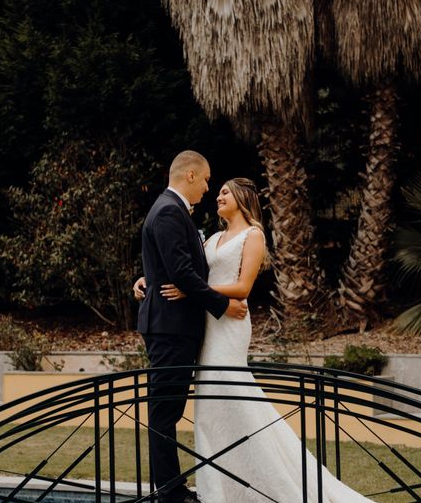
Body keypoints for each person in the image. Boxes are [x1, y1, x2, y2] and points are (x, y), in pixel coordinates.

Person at [136, 177, 377, 503]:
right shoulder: (213, 238)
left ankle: (271, 484)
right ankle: (219, 489)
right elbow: (186, 271)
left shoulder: (254, 235)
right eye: (216, 189)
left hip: (231, 323)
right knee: (209, 409)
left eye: (224, 191)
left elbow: (243, 288)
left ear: (243, 197)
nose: (216, 195)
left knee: (232, 397)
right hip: (208, 324)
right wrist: (148, 281)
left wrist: (193, 290)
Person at [136, 150, 248, 503]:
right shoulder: (170, 210)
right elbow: (182, 272)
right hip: (170, 325)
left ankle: (169, 488)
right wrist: (222, 305)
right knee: (165, 410)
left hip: (172, 324)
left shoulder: (168, 209)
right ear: (190, 176)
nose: (209, 187)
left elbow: (170, 266)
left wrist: (147, 279)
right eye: (207, 179)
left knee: (165, 408)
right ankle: (170, 493)